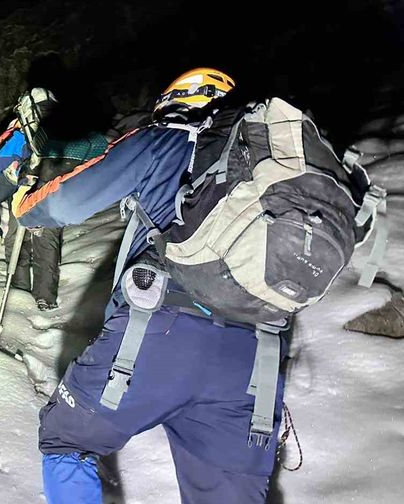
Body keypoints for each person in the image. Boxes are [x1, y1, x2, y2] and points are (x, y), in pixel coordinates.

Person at [14, 68, 290, 503]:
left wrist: (24, 205)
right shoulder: (271, 160)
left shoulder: (165, 138)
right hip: (255, 355)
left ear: (174, 101)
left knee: (69, 439)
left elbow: (63, 202)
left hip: (160, 330)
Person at [0, 88, 65, 310]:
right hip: (56, 195)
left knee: (16, 239)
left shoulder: (23, 132)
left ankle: (20, 288)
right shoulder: (64, 128)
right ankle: (46, 298)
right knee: (47, 243)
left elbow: (1, 160)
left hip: (26, 197)